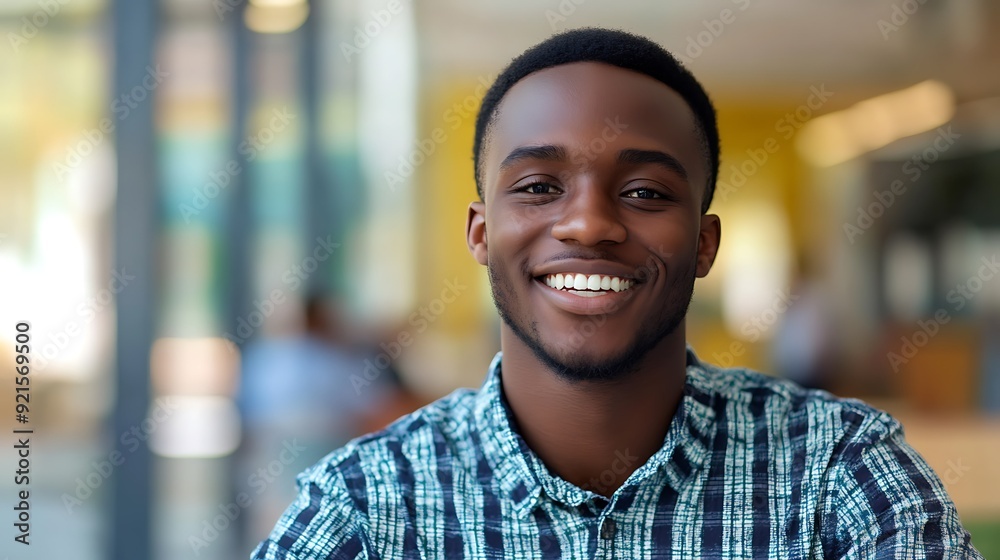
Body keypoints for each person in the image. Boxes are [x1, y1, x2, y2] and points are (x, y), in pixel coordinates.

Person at [252, 28, 984, 559]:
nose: (589, 224)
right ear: (480, 233)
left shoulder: (839, 474)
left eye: (644, 191)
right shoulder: (366, 506)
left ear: (704, 243)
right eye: (538, 187)